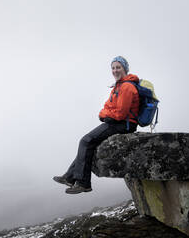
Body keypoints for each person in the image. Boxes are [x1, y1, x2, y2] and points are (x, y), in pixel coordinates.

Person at [53, 56, 140, 194]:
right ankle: (69, 177)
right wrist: (105, 113)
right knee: (88, 144)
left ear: (125, 69)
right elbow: (107, 106)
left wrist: (105, 115)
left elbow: (121, 113)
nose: (115, 70)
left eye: (118, 67)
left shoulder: (127, 87)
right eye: (113, 68)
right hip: (116, 121)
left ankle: (83, 183)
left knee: (85, 141)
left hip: (123, 124)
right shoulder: (118, 86)